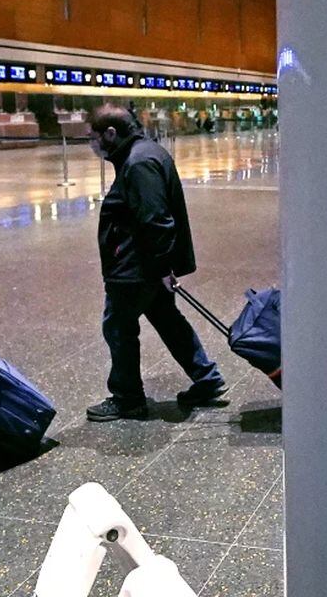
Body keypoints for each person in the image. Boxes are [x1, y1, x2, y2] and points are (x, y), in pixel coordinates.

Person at [86, 105, 228, 422]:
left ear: (111, 133)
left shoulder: (138, 163)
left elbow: (156, 220)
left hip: (136, 268)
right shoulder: (145, 152)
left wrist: (163, 267)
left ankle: (127, 398)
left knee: (118, 328)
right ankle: (207, 378)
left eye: (93, 137)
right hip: (147, 264)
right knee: (167, 320)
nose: (92, 145)